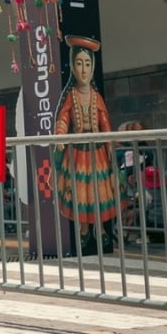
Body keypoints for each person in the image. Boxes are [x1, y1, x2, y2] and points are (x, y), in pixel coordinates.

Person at [52, 35, 117, 256]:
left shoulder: (97, 96)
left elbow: (105, 121)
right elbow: (63, 118)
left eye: (87, 64)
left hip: (97, 154)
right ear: (72, 65)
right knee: (81, 193)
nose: (83, 69)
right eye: (79, 63)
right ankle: (83, 228)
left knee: (98, 192)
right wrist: (60, 135)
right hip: (77, 154)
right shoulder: (70, 95)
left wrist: (109, 144)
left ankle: (99, 228)